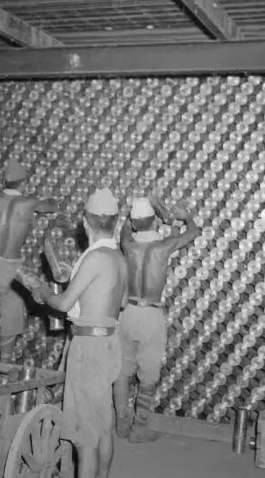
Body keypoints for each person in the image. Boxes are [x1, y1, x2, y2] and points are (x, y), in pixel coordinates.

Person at [35, 188, 128, 478]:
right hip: (109, 343)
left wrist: (41, 292)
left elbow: (63, 304)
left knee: (85, 438)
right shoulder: (119, 258)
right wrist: (78, 278)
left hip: (89, 348)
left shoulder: (95, 257)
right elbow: (120, 302)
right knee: (102, 426)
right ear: (115, 222)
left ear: (86, 222)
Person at [115, 196, 199, 443]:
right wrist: (185, 217)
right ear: (154, 222)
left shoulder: (127, 244)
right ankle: (139, 427)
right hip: (151, 315)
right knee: (148, 375)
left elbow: (126, 229)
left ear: (133, 222)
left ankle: (121, 420)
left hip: (126, 313)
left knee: (121, 371)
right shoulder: (164, 246)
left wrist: (134, 216)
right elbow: (193, 232)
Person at [0, 160, 58, 363]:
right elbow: (51, 207)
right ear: (24, 182)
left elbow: (5, 194)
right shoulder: (29, 202)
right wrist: (51, 199)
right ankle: (4, 365)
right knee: (10, 317)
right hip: (12, 268)